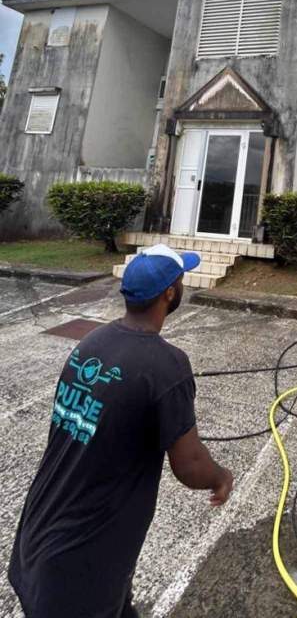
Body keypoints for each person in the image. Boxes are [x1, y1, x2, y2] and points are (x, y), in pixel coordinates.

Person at [8, 243, 234, 618]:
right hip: (79, 567)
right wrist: (221, 477)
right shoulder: (167, 365)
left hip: (39, 539)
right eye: (181, 280)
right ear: (169, 293)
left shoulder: (90, 344)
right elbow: (190, 465)